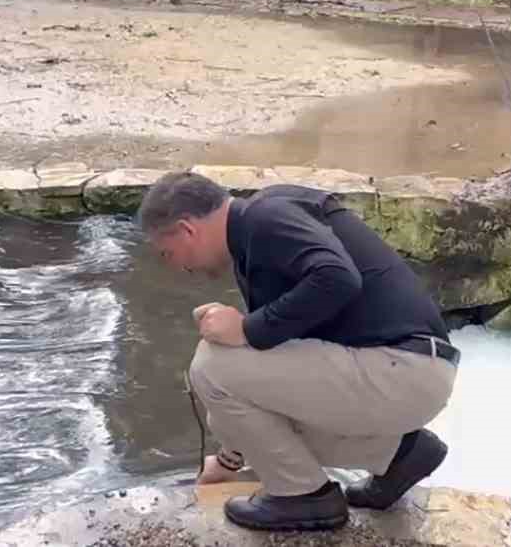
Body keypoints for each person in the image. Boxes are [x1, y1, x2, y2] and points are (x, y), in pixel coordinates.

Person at [136, 171, 459, 532]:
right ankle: (399, 454)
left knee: (211, 364)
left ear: (187, 229)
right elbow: (261, 390)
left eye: (168, 253)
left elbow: (338, 277)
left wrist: (246, 328)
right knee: (224, 411)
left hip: (403, 369)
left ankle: (304, 497)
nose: (179, 267)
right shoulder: (255, 235)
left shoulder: (266, 216)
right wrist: (227, 462)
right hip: (405, 370)